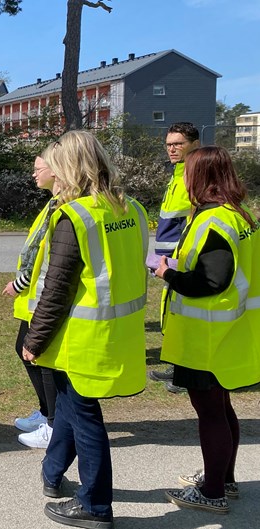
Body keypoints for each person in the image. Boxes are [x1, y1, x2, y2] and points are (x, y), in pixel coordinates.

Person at [21, 131, 149, 529]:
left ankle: (95, 506)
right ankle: (53, 470)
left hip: (81, 336)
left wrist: (33, 340)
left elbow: (56, 289)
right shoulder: (133, 209)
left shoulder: (75, 216)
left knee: (83, 417)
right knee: (73, 412)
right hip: (121, 331)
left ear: (70, 168)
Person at [153, 146, 259, 515]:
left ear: (202, 178)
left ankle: (212, 491)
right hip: (230, 332)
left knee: (211, 413)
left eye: (187, 172)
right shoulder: (237, 214)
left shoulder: (215, 221)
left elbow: (211, 281)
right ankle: (223, 479)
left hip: (209, 336)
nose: (182, 178)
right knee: (222, 408)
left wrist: (168, 274)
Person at [3, 150, 60, 449]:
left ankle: (53, 423)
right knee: (26, 350)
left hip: (44, 299)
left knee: (41, 357)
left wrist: (19, 283)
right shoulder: (51, 203)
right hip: (34, 297)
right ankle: (47, 413)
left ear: (57, 169)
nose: (34, 174)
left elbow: (48, 257)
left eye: (39, 168)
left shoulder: (61, 207)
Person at [149, 122, 201, 391]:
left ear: (194, 144)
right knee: (172, 312)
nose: (171, 148)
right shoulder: (179, 171)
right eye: (169, 144)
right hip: (169, 257)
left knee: (185, 314)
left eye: (178, 143)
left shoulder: (196, 172)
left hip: (185, 257)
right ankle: (177, 367)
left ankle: (186, 374)